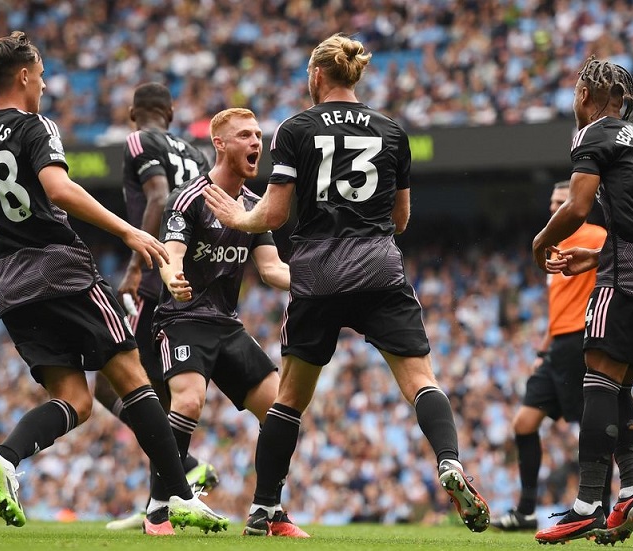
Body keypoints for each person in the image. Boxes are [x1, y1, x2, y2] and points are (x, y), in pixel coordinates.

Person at [203, 33, 490, 536]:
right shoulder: (392, 130)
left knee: (289, 399)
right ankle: (449, 460)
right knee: (421, 380)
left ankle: (264, 508)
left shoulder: (296, 128)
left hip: (317, 272)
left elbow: (273, 212)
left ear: (316, 76)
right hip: (379, 266)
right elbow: (401, 220)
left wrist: (238, 215)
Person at [0, 31, 228, 536]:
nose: (47, 84)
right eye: (43, 74)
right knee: (132, 378)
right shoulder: (34, 126)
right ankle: (180, 497)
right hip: (62, 271)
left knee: (74, 400)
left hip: (13, 286)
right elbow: (58, 187)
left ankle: (5, 456)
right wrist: (128, 229)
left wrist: (6, 220)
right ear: (25, 75)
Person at [531, 55, 633, 544]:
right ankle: (632, 492)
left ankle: (586, 504)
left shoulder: (592, 133)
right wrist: (595, 259)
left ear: (584, 96)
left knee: (597, 378)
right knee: (618, 385)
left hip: (632, 274)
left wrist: (540, 242)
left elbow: (578, 207)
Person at [152, 107, 308, 538]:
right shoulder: (188, 197)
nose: (256, 142)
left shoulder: (256, 208)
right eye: (245, 135)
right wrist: (173, 277)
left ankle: (268, 512)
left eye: (258, 135)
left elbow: (273, 271)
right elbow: (172, 255)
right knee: (188, 400)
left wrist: (323, 282)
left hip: (226, 324)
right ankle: (158, 510)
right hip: (182, 318)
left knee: (281, 408)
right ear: (220, 144)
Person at [96, 82, 218, 531]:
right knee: (159, 392)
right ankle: (163, 497)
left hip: (154, 281)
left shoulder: (138, 140)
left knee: (113, 385)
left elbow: (158, 195)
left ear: (134, 113)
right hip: (194, 281)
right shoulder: (197, 152)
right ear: (171, 110)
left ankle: (181, 469)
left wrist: (136, 265)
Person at [491, 181, 608, 531]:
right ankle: (526, 511)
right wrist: (543, 349)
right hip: (556, 344)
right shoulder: (552, 244)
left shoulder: (595, 236)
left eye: (562, 200)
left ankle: (597, 510)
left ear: (578, 203)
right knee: (524, 424)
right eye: (552, 202)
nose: (554, 207)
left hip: (580, 340)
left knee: (590, 426)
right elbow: (557, 306)